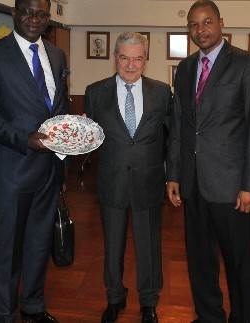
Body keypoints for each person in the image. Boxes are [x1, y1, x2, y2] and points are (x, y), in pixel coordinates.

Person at [0, 0, 68, 323]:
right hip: (13, 167)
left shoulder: (57, 55)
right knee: (9, 245)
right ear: (14, 13)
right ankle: (4, 313)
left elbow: (57, 107)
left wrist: (70, 133)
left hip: (50, 169)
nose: (34, 19)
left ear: (48, 18)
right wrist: (24, 139)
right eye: (28, 11)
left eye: (41, 14)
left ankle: (33, 306)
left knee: (40, 242)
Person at [166, 0, 250, 323]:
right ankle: (208, 316)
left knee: (238, 261)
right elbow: (179, 125)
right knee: (200, 260)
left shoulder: (246, 64)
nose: (201, 30)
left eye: (207, 22)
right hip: (193, 183)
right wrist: (174, 174)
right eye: (194, 24)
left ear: (221, 23)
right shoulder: (185, 69)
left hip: (232, 186)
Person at [84, 32, 171, 323]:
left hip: (149, 182)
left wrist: (173, 176)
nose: (131, 65)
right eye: (124, 58)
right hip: (112, 182)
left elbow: (172, 138)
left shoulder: (162, 92)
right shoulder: (95, 92)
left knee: (149, 247)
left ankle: (149, 302)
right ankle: (114, 298)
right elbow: (89, 139)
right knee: (112, 246)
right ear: (115, 58)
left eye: (137, 58)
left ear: (146, 60)